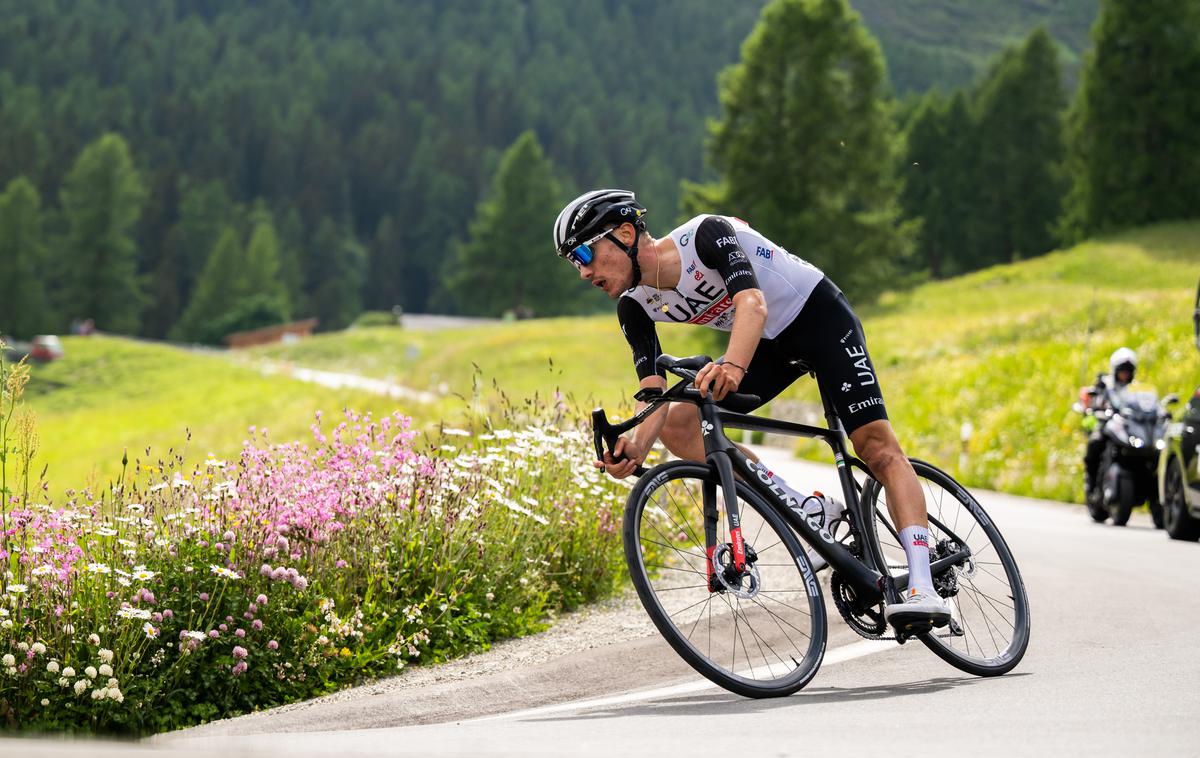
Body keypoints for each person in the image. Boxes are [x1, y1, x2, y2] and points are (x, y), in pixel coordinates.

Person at [553, 189, 950, 629]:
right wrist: (637, 446)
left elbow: (752, 304)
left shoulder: (705, 235)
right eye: (574, 262)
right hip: (769, 347)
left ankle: (922, 584)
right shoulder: (633, 306)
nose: (583, 271)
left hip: (819, 319)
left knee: (875, 448)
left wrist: (734, 367)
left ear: (626, 233)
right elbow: (654, 391)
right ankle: (805, 508)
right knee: (681, 423)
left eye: (585, 252)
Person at [1083, 347, 1138, 494]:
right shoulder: (1105, 383)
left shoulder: (1135, 389)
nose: (1125, 375)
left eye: (1128, 371)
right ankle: (1091, 480)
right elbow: (1095, 399)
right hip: (1107, 423)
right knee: (1096, 442)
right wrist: (1096, 408)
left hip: (1126, 426)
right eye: (1122, 371)